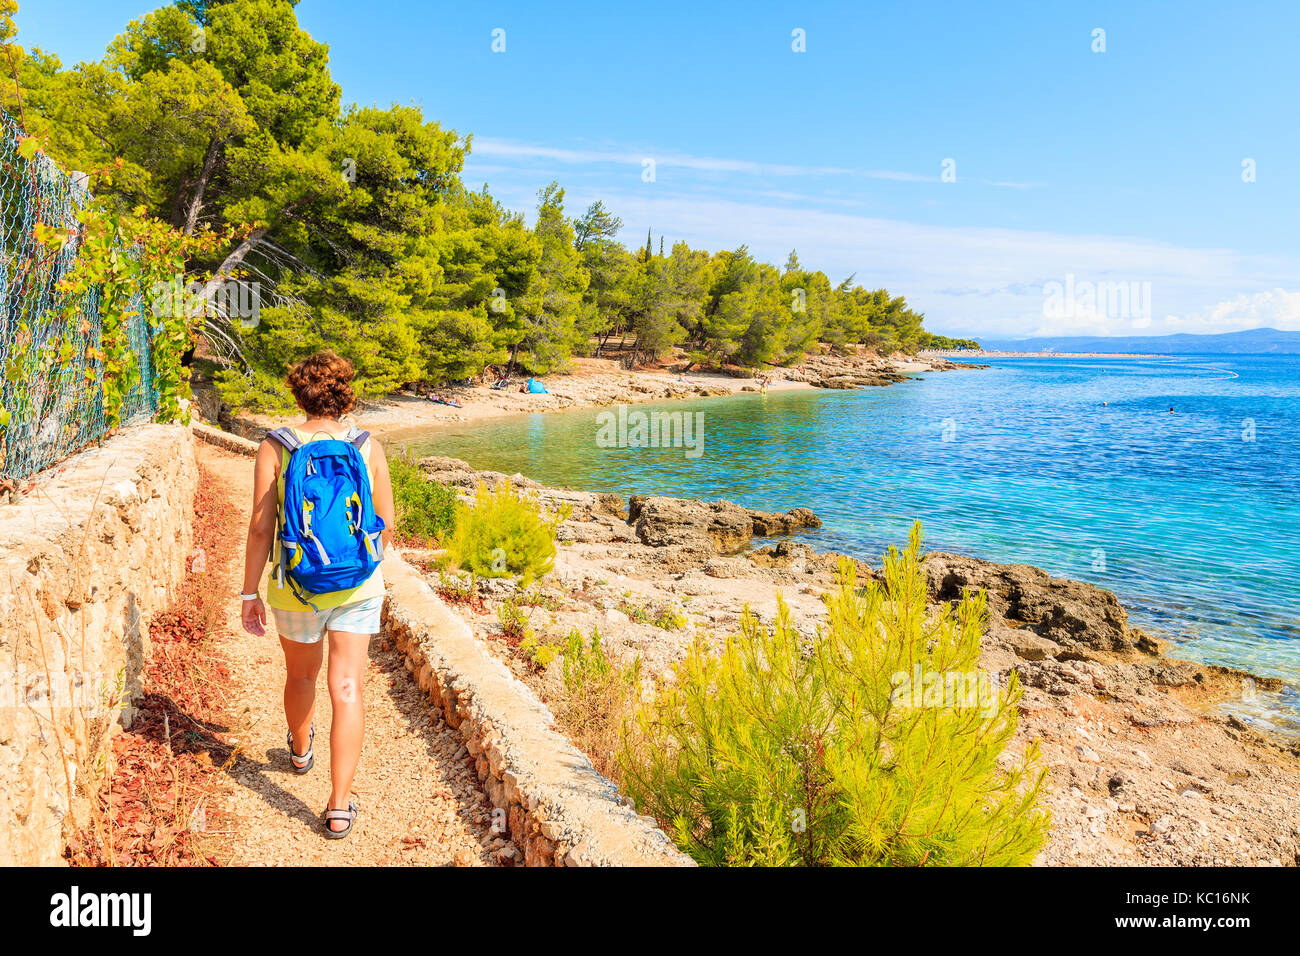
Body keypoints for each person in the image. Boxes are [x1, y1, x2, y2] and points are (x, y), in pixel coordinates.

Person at [239, 350, 396, 839]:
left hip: (295, 587)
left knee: (301, 675)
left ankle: (301, 749)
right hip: (358, 587)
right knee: (347, 689)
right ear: (345, 393)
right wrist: (358, 571)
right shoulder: (366, 444)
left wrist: (250, 593)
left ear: (298, 393)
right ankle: (338, 805)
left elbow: (261, 527)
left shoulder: (276, 445)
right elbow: (385, 522)